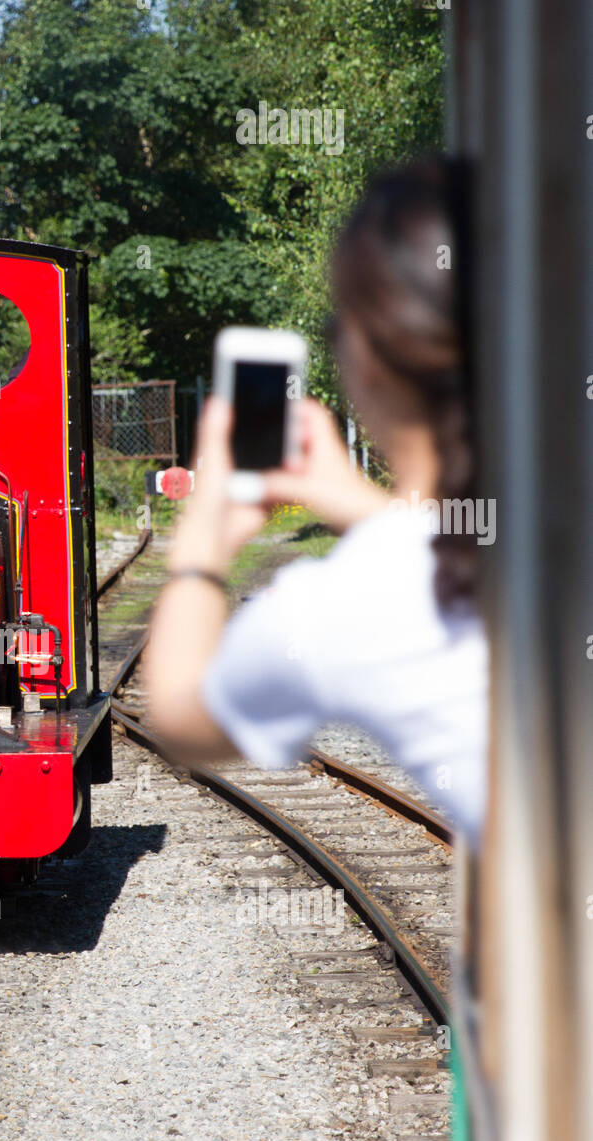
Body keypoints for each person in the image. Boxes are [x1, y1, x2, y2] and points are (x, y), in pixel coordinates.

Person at [144, 156, 486, 846]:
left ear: (363, 358)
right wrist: (361, 504)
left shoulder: (353, 602)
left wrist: (202, 548)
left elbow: (180, 713)